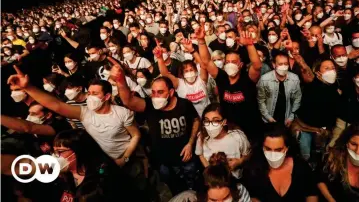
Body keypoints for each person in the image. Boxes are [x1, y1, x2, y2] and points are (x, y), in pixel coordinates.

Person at [7, 66, 141, 167]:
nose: (90, 96)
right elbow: (56, 105)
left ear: (106, 97)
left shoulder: (122, 113)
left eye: (95, 93)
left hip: (127, 159)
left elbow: (135, 135)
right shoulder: (84, 113)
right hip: (104, 162)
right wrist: (28, 88)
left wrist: (125, 158)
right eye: (89, 93)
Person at [109, 58, 200, 195]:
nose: (155, 96)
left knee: (193, 184)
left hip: (186, 158)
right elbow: (128, 101)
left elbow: (196, 120)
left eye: (160, 92)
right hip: (163, 160)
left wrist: (190, 143)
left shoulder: (184, 104)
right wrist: (120, 80)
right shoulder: (150, 106)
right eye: (153, 92)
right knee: (172, 186)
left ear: (170, 92)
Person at [198, 27, 263, 141]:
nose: (230, 64)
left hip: (250, 129)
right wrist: (201, 41)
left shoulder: (248, 78)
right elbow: (207, 61)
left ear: (241, 65)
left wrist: (249, 45)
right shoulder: (221, 77)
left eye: (234, 62)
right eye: (227, 62)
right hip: (229, 129)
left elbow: (257, 65)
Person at [242, 125, 318, 202]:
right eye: (268, 149)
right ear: (262, 147)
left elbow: (311, 194)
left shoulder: (301, 167)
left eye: (278, 150)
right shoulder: (253, 170)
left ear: (287, 148)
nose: (272, 154)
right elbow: (252, 196)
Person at [317, 122, 359, 201]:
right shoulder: (333, 158)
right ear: (346, 142)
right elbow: (319, 179)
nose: (357, 152)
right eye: (353, 144)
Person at [155, 39, 210, 117]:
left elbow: (203, 65)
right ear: (183, 74)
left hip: (207, 117)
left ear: (196, 71)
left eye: (191, 70)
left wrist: (192, 50)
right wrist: (160, 58)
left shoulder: (201, 79)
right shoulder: (179, 83)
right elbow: (165, 74)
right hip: (190, 120)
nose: (189, 72)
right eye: (186, 71)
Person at [196, 103, 250, 179]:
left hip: (236, 181)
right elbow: (201, 156)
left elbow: (248, 154)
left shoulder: (237, 137)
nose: (210, 125)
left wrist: (239, 161)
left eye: (215, 121)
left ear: (224, 122)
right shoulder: (202, 138)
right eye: (207, 121)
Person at [257, 51, 302, 126]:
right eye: (280, 64)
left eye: (286, 64)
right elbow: (261, 100)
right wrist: (268, 117)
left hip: (286, 119)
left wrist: (291, 116)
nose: (283, 66)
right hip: (269, 119)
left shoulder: (294, 78)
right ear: (274, 65)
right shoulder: (264, 79)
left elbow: (297, 98)